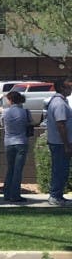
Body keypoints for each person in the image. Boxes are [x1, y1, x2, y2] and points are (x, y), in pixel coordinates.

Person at [44, 76, 72, 206]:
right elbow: (61, 124)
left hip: (59, 143)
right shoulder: (59, 103)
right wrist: (67, 144)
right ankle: (55, 196)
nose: (70, 88)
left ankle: (58, 195)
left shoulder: (60, 101)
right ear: (61, 88)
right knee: (59, 170)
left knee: (62, 169)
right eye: (68, 86)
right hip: (60, 143)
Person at [1, 90, 30, 203]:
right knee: (18, 170)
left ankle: (7, 193)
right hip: (21, 141)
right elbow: (30, 123)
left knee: (10, 168)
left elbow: (2, 124)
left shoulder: (5, 112)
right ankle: (15, 194)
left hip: (9, 142)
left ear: (11, 100)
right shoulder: (25, 112)